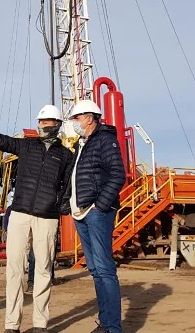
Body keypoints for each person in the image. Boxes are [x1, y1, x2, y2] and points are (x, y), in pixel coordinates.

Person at [0, 104, 73, 333]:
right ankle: (12, 325)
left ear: (57, 125)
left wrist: (58, 207)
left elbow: (67, 186)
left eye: (48, 122)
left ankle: (40, 324)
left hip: (46, 218)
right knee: (15, 270)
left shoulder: (66, 156)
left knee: (44, 270)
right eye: (41, 121)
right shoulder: (26, 146)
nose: (44, 125)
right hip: (19, 213)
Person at [60, 99, 126, 333]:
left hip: (97, 212)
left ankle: (114, 328)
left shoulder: (105, 140)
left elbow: (119, 174)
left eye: (75, 118)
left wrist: (100, 205)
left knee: (105, 268)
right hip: (81, 213)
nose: (73, 123)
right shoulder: (81, 144)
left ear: (89, 118)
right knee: (95, 270)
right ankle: (105, 324)